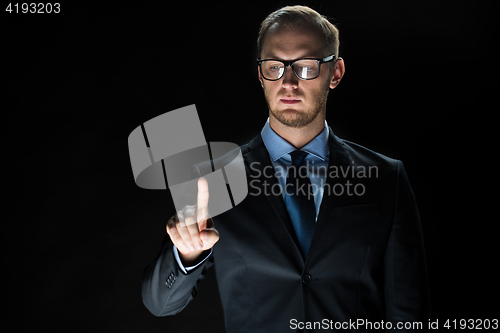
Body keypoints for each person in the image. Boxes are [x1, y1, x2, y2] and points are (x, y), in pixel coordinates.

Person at [141, 5, 430, 332]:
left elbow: (409, 312)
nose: (288, 82)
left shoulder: (385, 178)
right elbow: (159, 304)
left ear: (335, 73)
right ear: (261, 73)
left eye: (306, 66)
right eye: (275, 66)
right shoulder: (213, 180)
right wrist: (186, 255)